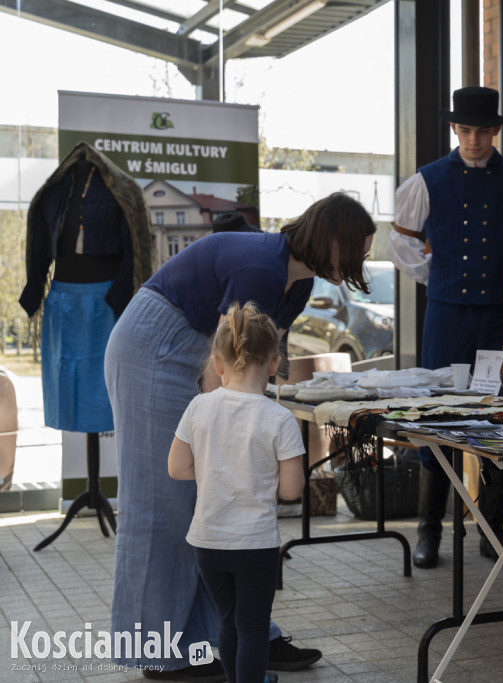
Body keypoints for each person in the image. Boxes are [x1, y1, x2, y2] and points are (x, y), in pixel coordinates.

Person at [105, 192, 374, 680]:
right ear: (331, 239)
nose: (361, 261)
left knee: (213, 502)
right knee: (164, 503)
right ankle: (160, 652)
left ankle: (241, 638)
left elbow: (258, 364)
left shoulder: (297, 283)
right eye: (357, 249)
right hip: (153, 349)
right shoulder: (261, 271)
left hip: (194, 350)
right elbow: (225, 372)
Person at [387, 86, 503, 569]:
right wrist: (440, 278)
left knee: (497, 416)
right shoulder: (427, 181)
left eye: (482, 130)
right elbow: (400, 242)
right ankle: (429, 532)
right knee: (437, 414)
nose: (473, 139)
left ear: (495, 131)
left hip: (500, 318)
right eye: (465, 130)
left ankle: (491, 532)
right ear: (455, 130)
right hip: (446, 315)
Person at [169, 302, 306, 683]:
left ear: (217, 364)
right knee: (253, 627)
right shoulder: (279, 418)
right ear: (274, 363)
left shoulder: (198, 407)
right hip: (255, 544)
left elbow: (177, 468)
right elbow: (293, 490)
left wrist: (217, 469)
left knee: (227, 621)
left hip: (208, 542)